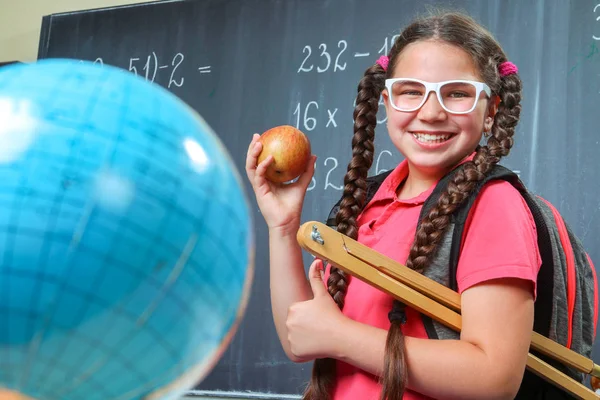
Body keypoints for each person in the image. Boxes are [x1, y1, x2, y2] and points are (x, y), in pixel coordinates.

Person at [245, 11, 536, 400]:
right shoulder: (366, 202)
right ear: (386, 101)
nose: (431, 112)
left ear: (492, 111)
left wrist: (341, 337)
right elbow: (300, 336)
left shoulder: (493, 204)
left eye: (457, 93)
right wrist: (282, 228)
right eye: (411, 91)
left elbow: (494, 377)